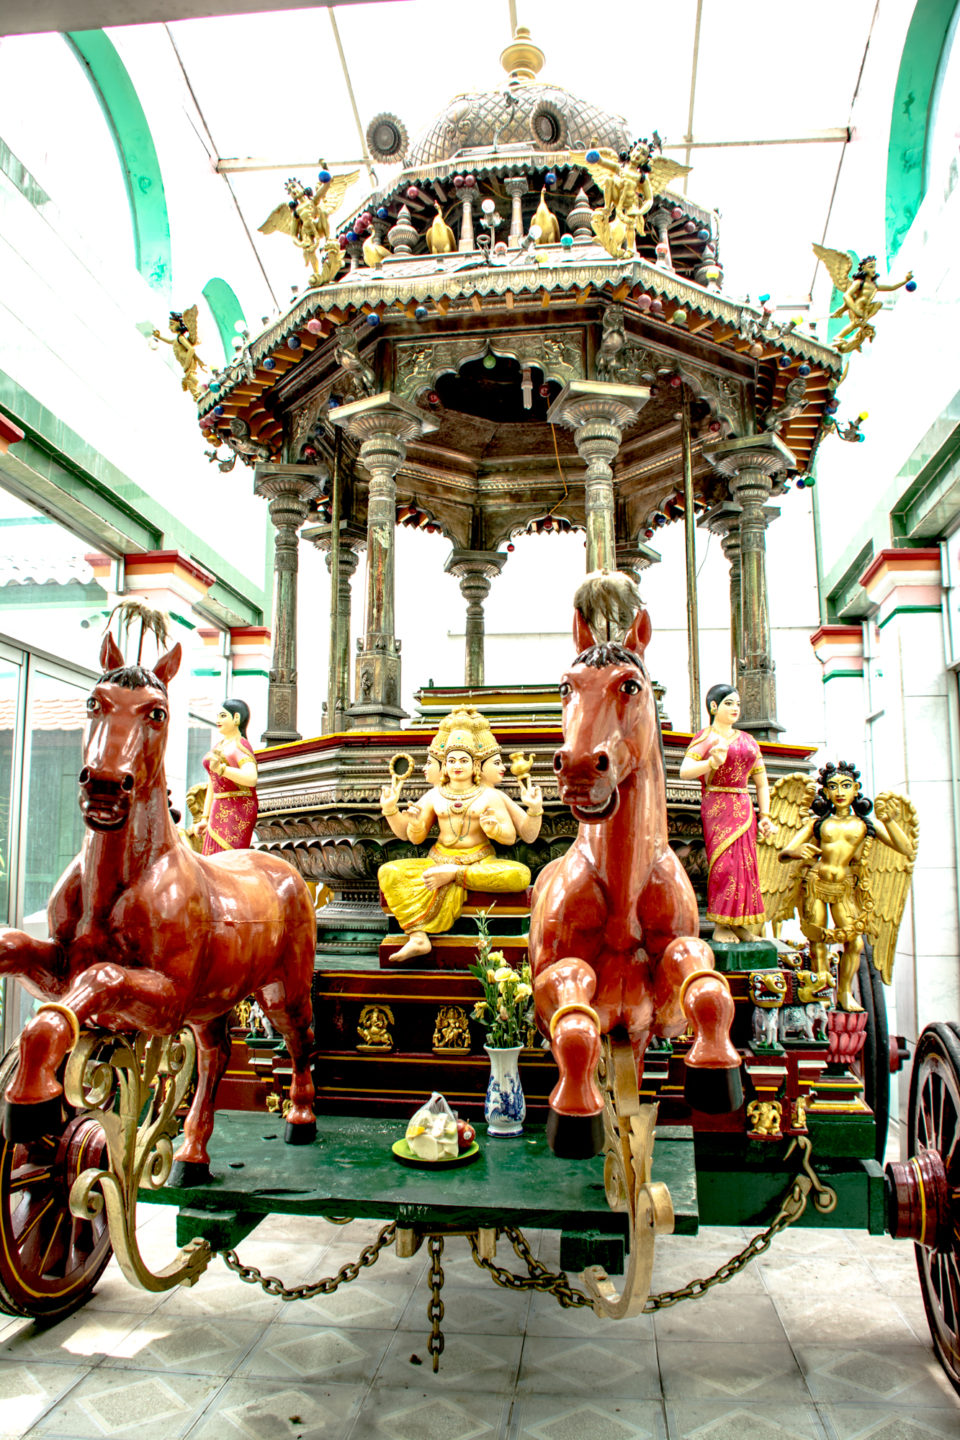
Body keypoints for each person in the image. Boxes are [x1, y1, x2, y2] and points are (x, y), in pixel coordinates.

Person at [378, 718, 531, 962]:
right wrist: (393, 812)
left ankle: (455, 876)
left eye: (463, 760)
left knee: (519, 875)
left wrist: (494, 831)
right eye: (451, 761)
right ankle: (418, 937)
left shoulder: (490, 795)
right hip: (437, 861)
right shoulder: (434, 795)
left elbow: (511, 837)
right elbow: (414, 838)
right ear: (445, 767)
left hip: (479, 862)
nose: (457, 766)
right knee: (388, 872)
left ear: (475, 766)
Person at [778, 761, 915, 1011]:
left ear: (856, 789)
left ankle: (844, 993)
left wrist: (891, 821)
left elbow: (905, 849)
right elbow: (784, 853)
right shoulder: (818, 824)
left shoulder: (865, 825)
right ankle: (820, 991)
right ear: (826, 793)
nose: (840, 792)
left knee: (855, 942)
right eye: (833, 787)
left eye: (845, 786)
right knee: (817, 939)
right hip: (816, 883)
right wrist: (797, 852)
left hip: (844, 887)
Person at [679, 683, 774, 941]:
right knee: (724, 866)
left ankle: (739, 924)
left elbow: (762, 781)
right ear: (713, 707)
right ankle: (721, 925)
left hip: (743, 807)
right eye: (728, 703)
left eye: (737, 704)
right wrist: (711, 762)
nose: (734, 708)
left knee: (746, 866)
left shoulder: (748, 740)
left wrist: (765, 816)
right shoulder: (707, 737)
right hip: (718, 803)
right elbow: (684, 770)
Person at [196, 698, 258, 854]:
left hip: (238, 807)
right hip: (218, 806)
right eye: (218, 716)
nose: (218, 720)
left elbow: (251, 778)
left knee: (227, 856)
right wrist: (204, 818)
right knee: (211, 854)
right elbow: (212, 782)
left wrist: (223, 770)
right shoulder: (219, 746)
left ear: (236, 718)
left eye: (223, 716)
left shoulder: (240, 744)